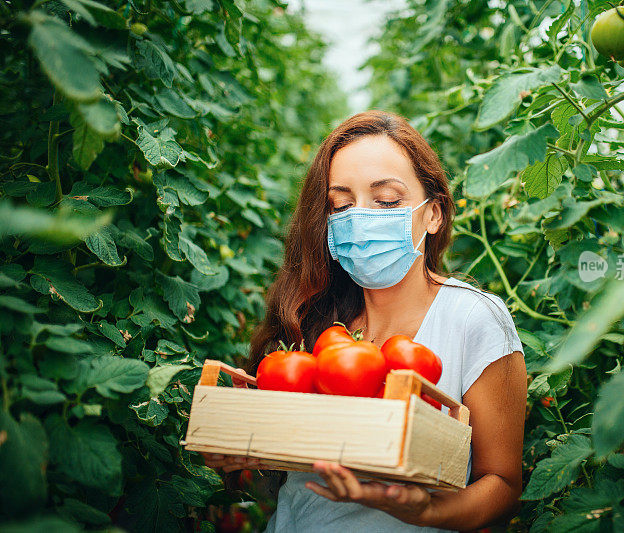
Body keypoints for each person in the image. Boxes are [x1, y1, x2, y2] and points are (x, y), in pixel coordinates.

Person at [202, 110, 527, 532]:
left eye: (387, 201)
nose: (360, 219)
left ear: (434, 214)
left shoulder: (474, 319)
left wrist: (424, 511)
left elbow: (501, 484)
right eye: (341, 205)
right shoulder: (313, 318)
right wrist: (243, 450)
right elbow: (292, 481)